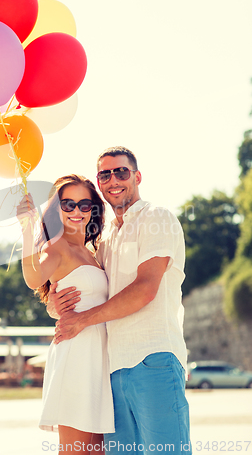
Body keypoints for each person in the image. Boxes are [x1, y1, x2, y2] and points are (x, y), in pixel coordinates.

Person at [50, 147, 191, 455]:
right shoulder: (106, 239)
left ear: (136, 177)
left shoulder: (157, 218)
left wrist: (81, 321)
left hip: (153, 357)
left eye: (121, 172)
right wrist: (54, 306)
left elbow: (145, 289)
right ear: (100, 184)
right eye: (105, 174)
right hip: (113, 369)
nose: (113, 179)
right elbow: (78, 285)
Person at [16, 174, 115, 455]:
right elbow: (34, 278)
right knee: (76, 451)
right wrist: (26, 230)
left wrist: (52, 306)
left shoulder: (92, 251)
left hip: (101, 357)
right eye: (68, 204)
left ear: (93, 209)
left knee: (97, 452)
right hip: (77, 356)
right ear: (57, 209)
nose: (76, 211)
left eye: (84, 205)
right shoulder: (56, 246)